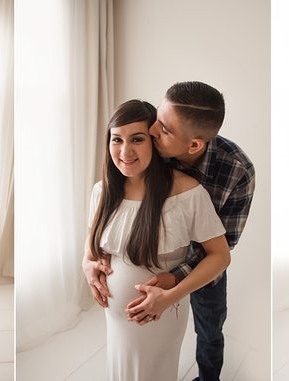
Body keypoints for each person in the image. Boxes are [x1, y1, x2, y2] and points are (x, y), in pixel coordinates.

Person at [84, 81, 255, 381]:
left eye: (161, 128)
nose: (152, 131)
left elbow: (221, 247)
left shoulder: (235, 170)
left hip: (198, 265)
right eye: (157, 121)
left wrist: (174, 282)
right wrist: (88, 259)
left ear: (193, 146)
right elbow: (104, 222)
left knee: (210, 329)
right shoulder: (142, 156)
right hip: (124, 320)